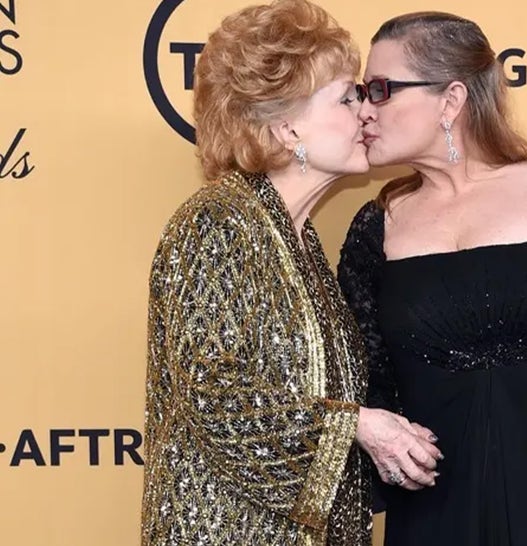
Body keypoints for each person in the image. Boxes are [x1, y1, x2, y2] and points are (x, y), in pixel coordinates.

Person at [338, 11, 527, 546]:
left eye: (382, 90)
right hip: (433, 518)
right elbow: (371, 384)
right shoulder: (375, 229)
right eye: (363, 92)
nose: (365, 110)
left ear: (451, 101)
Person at [140, 2, 441, 545]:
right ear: (286, 127)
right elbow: (215, 396)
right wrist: (356, 425)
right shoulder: (217, 223)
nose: (366, 112)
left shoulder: (296, 240)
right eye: (347, 97)